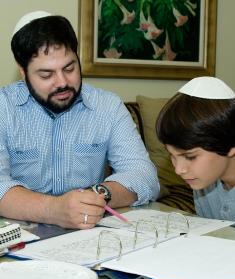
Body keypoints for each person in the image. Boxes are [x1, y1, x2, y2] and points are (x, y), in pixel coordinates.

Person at [0, 11, 159, 229]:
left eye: (69, 68)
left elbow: (143, 174)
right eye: (46, 75)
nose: (62, 82)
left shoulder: (108, 106)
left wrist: (97, 196)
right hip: (19, 237)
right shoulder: (3, 108)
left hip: (88, 233)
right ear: (23, 72)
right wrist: (54, 209)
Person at [156, 76, 235, 238]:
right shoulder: (204, 182)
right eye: (172, 156)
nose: (178, 169)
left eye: (190, 156)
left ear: (230, 144)